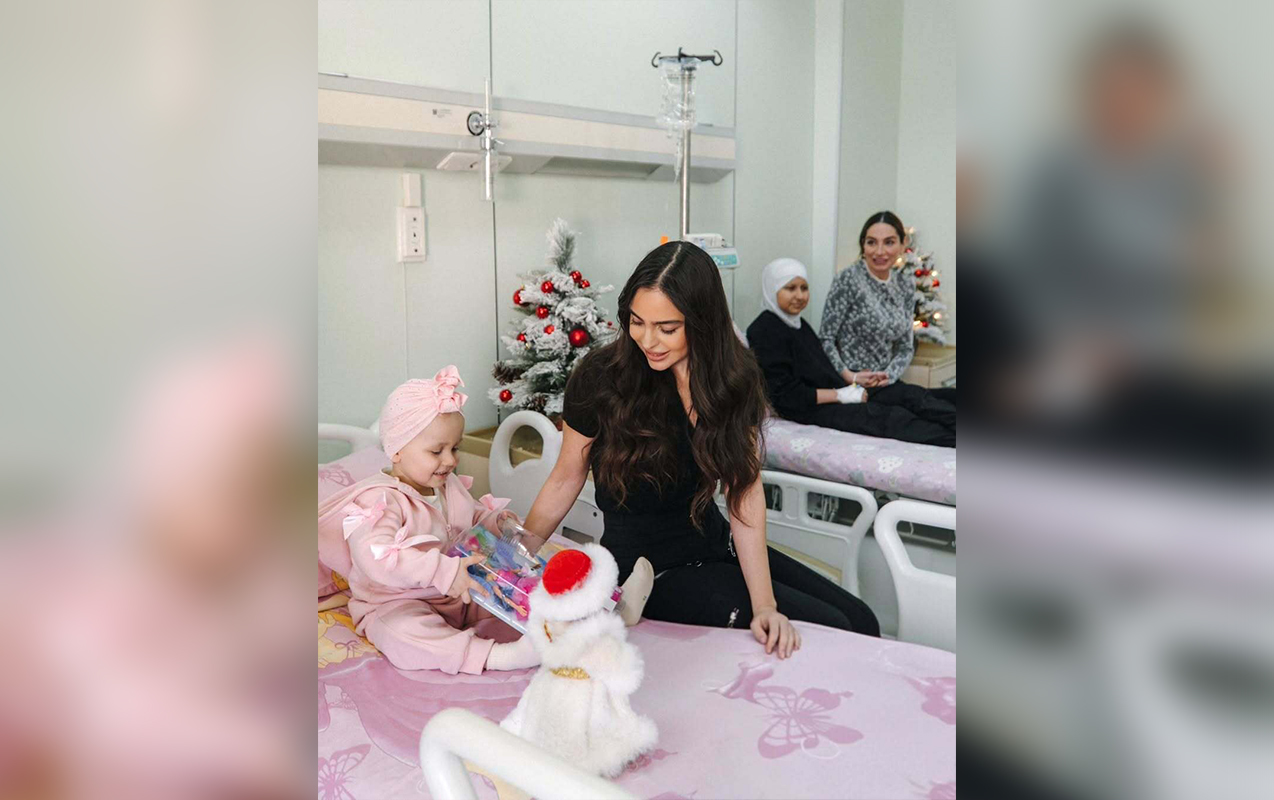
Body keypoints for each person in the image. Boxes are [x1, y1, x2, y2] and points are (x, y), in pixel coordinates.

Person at [518, 241, 880, 659]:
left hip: (714, 545)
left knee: (860, 621)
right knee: (832, 633)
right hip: (646, 572)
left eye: (667, 328)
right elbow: (565, 478)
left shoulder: (732, 380)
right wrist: (516, 559)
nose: (648, 340)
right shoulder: (600, 379)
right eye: (637, 321)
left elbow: (744, 490)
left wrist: (765, 605)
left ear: (702, 322)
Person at [317, 366, 542, 674]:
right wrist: (440, 570)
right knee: (402, 634)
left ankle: (568, 622)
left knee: (515, 593)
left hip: (458, 592)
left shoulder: (447, 486)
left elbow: (470, 520)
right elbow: (375, 559)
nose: (450, 460)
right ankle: (496, 656)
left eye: (455, 447)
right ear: (396, 450)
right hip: (398, 602)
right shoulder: (379, 501)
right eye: (437, 451)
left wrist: (494, 522)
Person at [749, 257, 955, 446]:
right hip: (811, 408)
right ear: (772, 289)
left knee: (911, 395)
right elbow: (786, 396)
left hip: (839, 390)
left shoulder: (798, 324)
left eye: (804, 288)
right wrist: (840, 395)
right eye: (790, 288)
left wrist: (854, 378)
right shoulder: (764, 330)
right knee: (892, 418)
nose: (800, 296)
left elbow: (821, 369)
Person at [819, 211, 957, 445]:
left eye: (889, 242)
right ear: (863, 245)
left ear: (903, 245)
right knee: (920, 405)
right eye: (871, 242)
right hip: (853, 383)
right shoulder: (848, 280)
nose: (880, 251)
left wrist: (889, 375)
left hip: (886, 382)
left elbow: (905, 346)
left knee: (946, 397)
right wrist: (850, 375)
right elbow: (826, 339)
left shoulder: (904, 284)